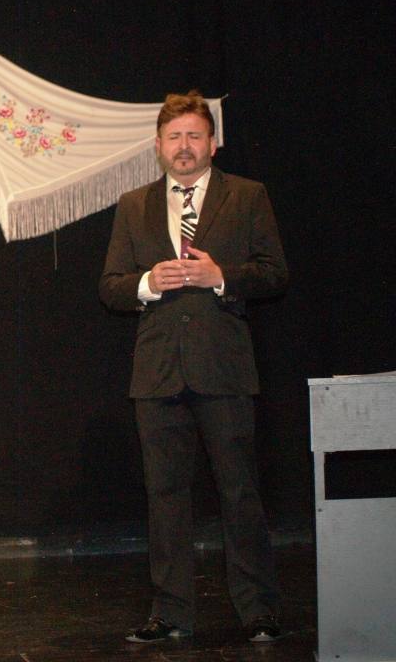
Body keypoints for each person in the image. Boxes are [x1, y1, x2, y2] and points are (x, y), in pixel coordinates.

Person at [98, 91, 287, 644]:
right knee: (166, 497)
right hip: (157, 375)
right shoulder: (134, 204)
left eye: (194, 136)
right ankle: (171, 612)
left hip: (223, 370)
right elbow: (109, 288)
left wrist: (221, 277)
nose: (184, 147)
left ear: (214, 143)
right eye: (174, 137)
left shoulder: (248, 197)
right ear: (158, 146)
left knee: (239, 493)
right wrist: (145, 284)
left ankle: (258, 610)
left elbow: (275, 274)